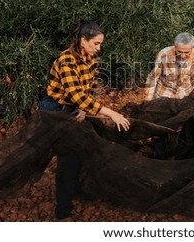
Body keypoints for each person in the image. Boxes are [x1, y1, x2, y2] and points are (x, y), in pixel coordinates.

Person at [39, 19, 130, 220]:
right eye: (96, 43)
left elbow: (88, 90)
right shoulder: (66, 60)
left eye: (100, 44)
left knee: (79, 151)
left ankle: (75, 191)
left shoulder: (91, 59)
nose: (99, 47)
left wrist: (82, 108)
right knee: (68, 156)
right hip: (54, 110)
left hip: (72, 107)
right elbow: (76, 94)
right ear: (83, 40)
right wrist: (111, 113)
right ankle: (62, 211)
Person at [144, 32, 194, 102]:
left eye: (186, 52)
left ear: (192, 48)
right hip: (163, 96)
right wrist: (148, 100)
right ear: (175, 47)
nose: (182, 56)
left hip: (184, 97)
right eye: (179, 51)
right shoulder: (164, 54)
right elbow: (153, 78)